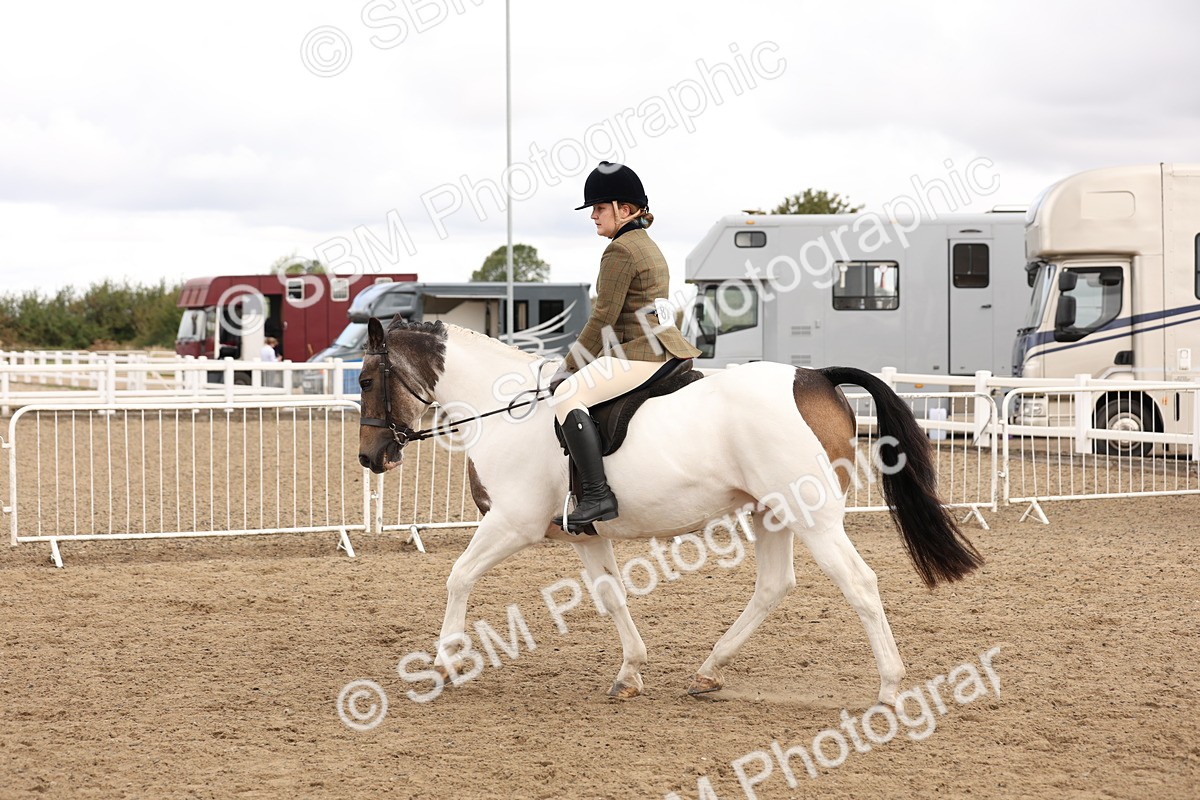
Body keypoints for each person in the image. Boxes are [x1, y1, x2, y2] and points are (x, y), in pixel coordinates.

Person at [550, 161, 702, 532]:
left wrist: (569, 367)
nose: (593, 216)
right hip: (665, 346)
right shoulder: (647, 245)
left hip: (640, 352)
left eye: (600, 208)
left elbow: (603, 318)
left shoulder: (620, 250)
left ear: (625, 209)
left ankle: (596, 494)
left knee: (567, 395)